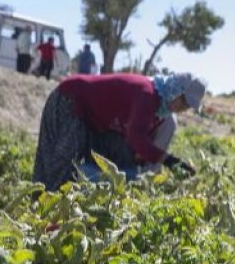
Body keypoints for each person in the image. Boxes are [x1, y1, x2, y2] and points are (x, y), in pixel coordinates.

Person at [32, 72, 203, 191]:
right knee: (61, 160)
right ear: (176, 91)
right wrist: (170, 161)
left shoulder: (159, 108)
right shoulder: (148, 94)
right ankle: (43, 209)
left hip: (91, 118)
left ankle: (54, 207)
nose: (184, 109)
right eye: (184, 102)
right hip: (71, 98)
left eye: (188, 106)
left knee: (75, 165)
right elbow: (136, 138)